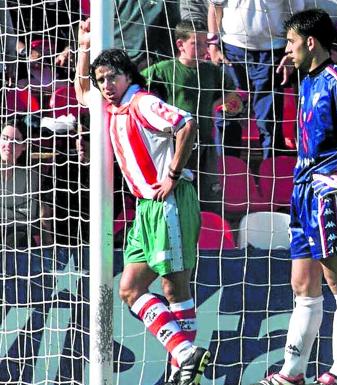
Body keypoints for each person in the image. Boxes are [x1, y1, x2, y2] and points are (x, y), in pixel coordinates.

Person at [252, 9, 337, 385]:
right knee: (302, 285)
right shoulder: (307, 79)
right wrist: (292, 67)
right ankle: (292, 372)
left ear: (311, 43)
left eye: (292, 43)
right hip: (303, 193)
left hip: (331, 197)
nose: (287, 50)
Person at [74, 19, 210, 385]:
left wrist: (174, 173)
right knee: (130, 288)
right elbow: (80, 88)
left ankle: (184, 370)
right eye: (102, 80)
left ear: (127, 76)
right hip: (144, 209)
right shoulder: (110, 107)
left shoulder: (142, 102)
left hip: (168, 201)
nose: (105, 86)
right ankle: (185, 355)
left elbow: (186, 123)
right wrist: (84, 46)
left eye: (111, 78)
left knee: (173, 286)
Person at [141, 19, 241, 212]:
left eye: (207, 43)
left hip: (206, 145)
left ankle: (209, 236)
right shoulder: (164, 70)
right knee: (177, 200)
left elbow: (232, 92)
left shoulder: (211, 70)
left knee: (209, 200)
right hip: (176, 147)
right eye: (197, 43)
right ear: (180, 44)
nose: (204, 49)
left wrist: (214, 104)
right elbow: (137, 89)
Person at [208, 0, 304, 159]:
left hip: (271, 52)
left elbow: (296, 14)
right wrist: (213, 45)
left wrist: (290, 50)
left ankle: (271, 169)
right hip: (232, 51)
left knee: (269, 120)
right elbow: (215, 6)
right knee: (228, 114)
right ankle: (226, 169)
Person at [0, 119, 52, 249]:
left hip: (18, 234)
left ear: (24, 146)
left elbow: (29, 215)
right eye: (5, 138)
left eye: (15, 141)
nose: (8, 145)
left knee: (20, 239)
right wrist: (15, 213)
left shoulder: (31, 176)